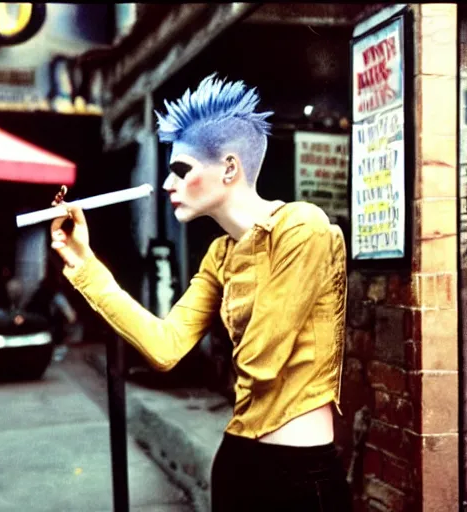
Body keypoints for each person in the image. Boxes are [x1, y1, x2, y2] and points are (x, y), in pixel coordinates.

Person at [50, 74, 352, 511]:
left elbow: (263, 362)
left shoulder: (301, 227)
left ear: (229, 168)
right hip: (235, 463)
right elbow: (165, 347)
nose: (169, 184)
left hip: (300, 475)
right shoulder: (219, 254)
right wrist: (85, 262)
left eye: (181, 169)